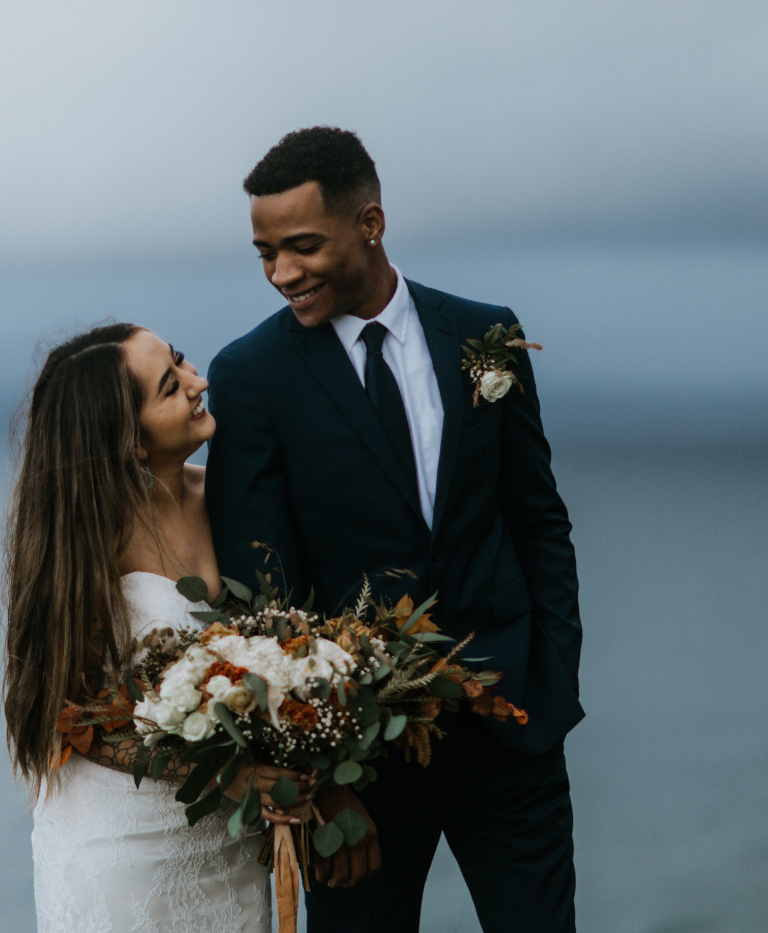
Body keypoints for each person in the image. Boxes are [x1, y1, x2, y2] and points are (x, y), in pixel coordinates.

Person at [206, 127, 584, 932]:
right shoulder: (251, 377)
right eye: (265, 253)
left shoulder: (487, 334)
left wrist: (552, 675)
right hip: (357, 777)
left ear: (370, 224)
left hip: (511, 734)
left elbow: (538, 518)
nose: (282, 273)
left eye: (302, 246)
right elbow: (265, 597)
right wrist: (322, 776)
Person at [3, 323, 308, 933]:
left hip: (229, 840)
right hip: (124, 850)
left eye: (182, 361)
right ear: (131, 441)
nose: (200, 383)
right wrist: (230, 773)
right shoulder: (86, 544)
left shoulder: (230, 500)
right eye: (171, 387)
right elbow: (73, 720)